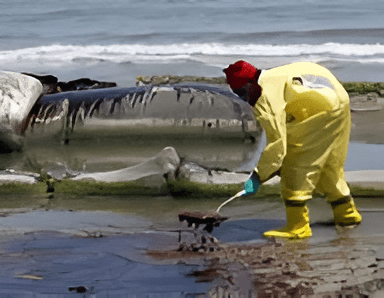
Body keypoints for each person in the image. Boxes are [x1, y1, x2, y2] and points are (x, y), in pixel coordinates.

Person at [223, 61, 362, 239]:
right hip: (338, 98)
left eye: (241, 92)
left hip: (321, 109)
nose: (243, 98)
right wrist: (274, 165)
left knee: (296, 167)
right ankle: (347, 215)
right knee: (328, 164)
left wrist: (258, 176)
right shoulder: (272, 76)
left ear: (250, 84)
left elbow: (277, 145)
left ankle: (298, 227)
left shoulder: (264, 97)